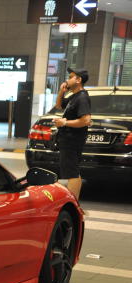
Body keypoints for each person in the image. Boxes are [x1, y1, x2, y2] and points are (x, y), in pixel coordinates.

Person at [53, 68, 91, 200]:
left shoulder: (82, 97)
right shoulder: (74, 96)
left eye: (71, 77)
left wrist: (64, 123)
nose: (67, 79)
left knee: (72, 174)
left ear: (79, 80)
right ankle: (74, 204)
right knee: (73, 172)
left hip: (72, 140)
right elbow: (58, 105)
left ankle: (72, 206)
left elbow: (86, 120)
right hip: (68, 140)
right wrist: (61, 92)